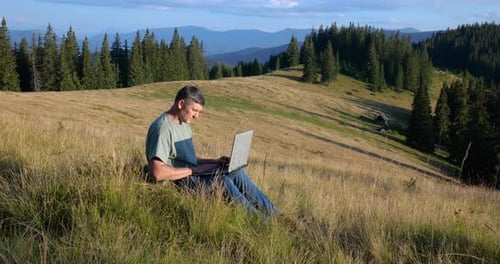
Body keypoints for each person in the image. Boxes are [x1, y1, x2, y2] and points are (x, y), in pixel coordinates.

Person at [145, 85, 280, 218]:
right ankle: (263, 223)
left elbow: (184, 159)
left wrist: (214, 162)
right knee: (222, 182)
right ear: (181, 104)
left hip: (193, 174)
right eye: (194, 110)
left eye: (199, 112)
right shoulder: (162, 129)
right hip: (180, 183)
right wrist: (193, 171)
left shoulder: (183, 123)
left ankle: (277, 216)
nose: (197, 116)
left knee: (235, 171)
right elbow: (157, 173)